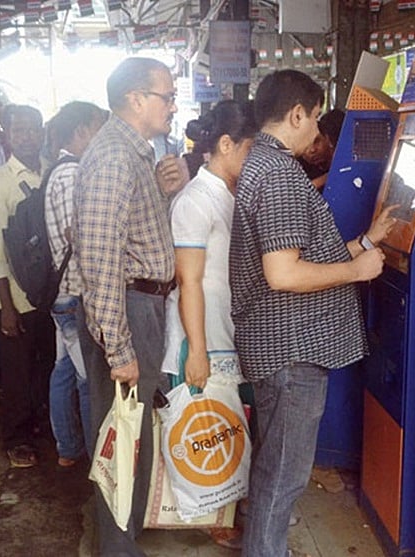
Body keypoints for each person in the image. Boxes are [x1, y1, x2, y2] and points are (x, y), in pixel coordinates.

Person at [229, 70, 396, 557]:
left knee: (275, 473)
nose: (317, 130)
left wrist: (366, 243)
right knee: (281, 482)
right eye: (316, 116)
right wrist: (358, 271)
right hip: (291, 353)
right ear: (296, 114)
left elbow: (299, 257)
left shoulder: (263, 162)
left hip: (282, 347)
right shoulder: (280, 174)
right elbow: (283, 274)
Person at [74, 57, 185, 555]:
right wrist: (118, 348)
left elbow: (135, 237)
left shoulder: (136, 154)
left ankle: (126, 539)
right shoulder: (114, 157)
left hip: (144, 305)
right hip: (127, 308)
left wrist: (163, 194)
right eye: (167, 95)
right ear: (137, 98)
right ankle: (117, 548)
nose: (173, 105)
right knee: (120, 435)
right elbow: (99, 261)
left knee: (135, 430)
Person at [161, 100, 257, 550]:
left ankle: (223, 506)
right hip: (201, 336)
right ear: (225, 145)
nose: (252, 159)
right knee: (204, 425)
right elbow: (190, 281)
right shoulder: (194, 201)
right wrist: (196, 351)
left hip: (224, 331)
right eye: (249, 149)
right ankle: (208, 514)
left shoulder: (226, 193)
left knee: (225, 422)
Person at [0, 104, 55, 468]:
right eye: (19, 130)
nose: (27, 136)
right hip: (18, 298)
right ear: (6, 136)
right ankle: (16, 437)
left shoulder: (51, 173)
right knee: (18, 372)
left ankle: (41, 423)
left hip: (51, 294)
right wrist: (6, 307)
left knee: (48, 366)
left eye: (33, 128)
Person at [43, 101, 108, 468]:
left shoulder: (65, 170)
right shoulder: (71, 175)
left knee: (65, 370)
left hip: (66, 292)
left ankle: (68, 449)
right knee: (89, 380)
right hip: (76, 293)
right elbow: (80, 238)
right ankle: (95, 455)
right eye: (98, 127)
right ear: (82, 131)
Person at [298, 108, 345, 190]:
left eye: (316, 141)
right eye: (305, 146)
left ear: (328, 139)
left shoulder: (345, 161)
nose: (311, 150)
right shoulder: (299, 169)